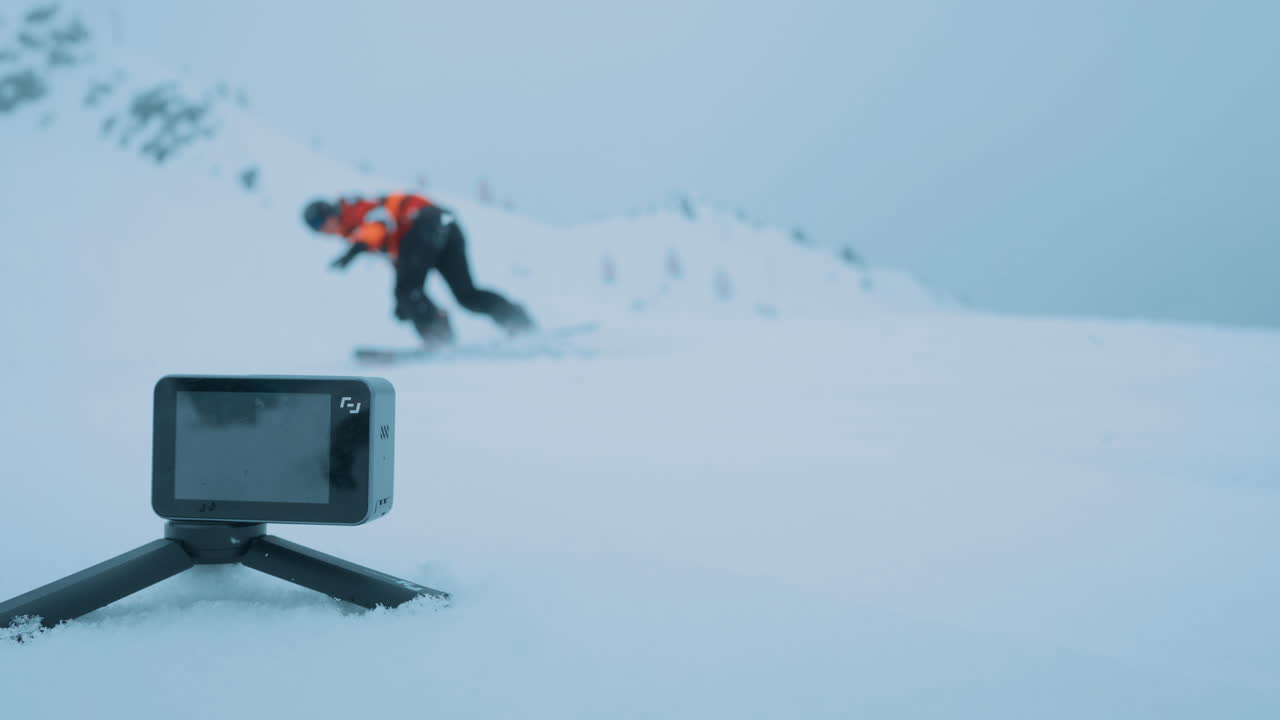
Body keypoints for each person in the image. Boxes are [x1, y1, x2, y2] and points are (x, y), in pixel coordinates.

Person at [302, 192, 533, 344]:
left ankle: (440, 341)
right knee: (465, 294)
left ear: (328, 214)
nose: (322, 231)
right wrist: (405, 305)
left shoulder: (355, 211)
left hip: (425, 221)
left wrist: (355, 249)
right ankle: (519, 322)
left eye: (319, 224)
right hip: (446, 225)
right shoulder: (356, 228)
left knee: (408, 292)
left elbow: (379, 224)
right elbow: (401, 262)